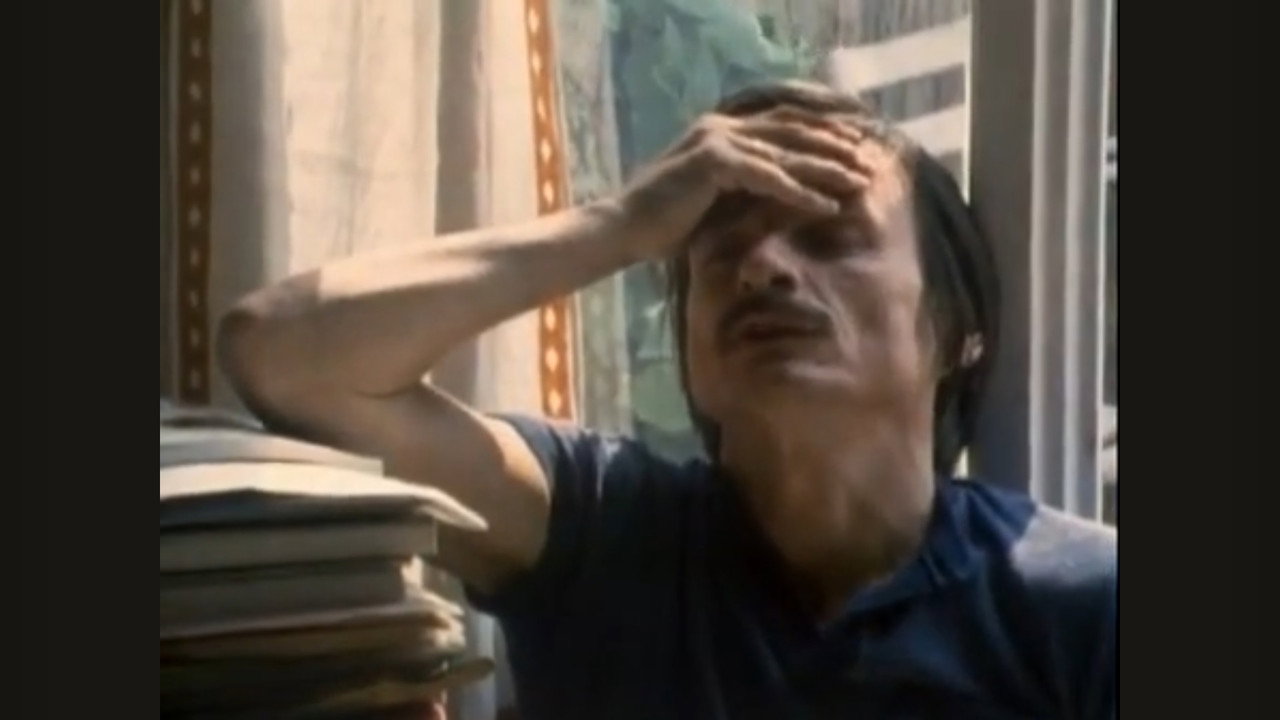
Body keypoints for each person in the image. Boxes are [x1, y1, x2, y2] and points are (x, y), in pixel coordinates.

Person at [218, 81, 1116, 719]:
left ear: (959, 330)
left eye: (830, 238)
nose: (762, 268)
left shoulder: (1079, 604)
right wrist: (621, 223)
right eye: (719, 253)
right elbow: (284, 358)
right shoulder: (601, 530)